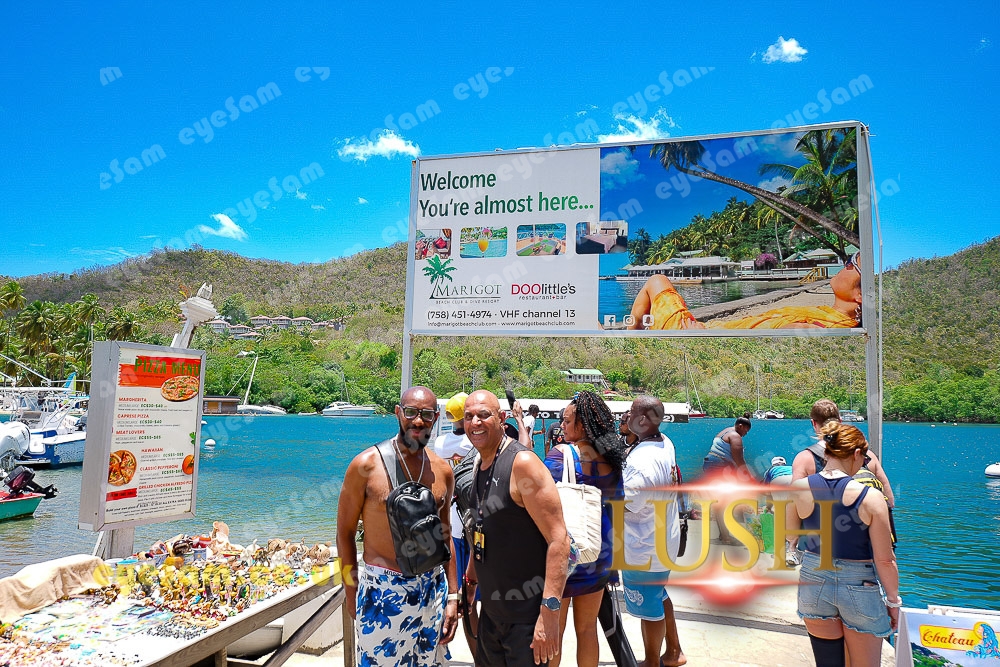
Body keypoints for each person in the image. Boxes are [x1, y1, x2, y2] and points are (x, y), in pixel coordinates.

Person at [336, 386, 458, 666]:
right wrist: (351, 592)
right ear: (398, 413)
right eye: (411, 412)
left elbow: (445, 534)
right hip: (383, 591)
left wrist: (453, 595)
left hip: (432, 591)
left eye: (427, 414)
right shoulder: (366, 466)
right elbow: (344, 533)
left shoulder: (442, 470)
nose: (418, 421)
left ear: (436, 417)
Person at [462, 390, 570, 666]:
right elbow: (483, 529)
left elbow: (559, 539)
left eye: (483, 415)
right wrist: (471, 581)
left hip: (526, 620)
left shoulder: (522, 463)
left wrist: (549, 613)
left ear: (501, 418)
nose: (475, 422)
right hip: (492, 615)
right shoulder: (480, 463)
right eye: (469, 416)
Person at [788, 422, 900, 667]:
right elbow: (885, 560)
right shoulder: (871, 498)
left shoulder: (798, 488)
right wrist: (893, 602)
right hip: (859, 586)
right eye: (865, 458)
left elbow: (790, 534)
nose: (864, 463)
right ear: (857, 453)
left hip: (813, 580)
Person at [542, 391, 626, 667]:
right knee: (588, 629)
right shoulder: (612, 460)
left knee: (555, 629)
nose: (562, 426)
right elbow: (617, 508)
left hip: (567, 553)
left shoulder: (560, 455)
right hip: (598, 552)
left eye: (567, 421)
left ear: (583, 425)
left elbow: (540, 502)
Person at [628, 252, 864, 330]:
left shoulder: (822, 325)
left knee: (657, 279)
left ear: (861, 295)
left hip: (695, 333)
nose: (845, 264)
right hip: (707, 330)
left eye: (852, 263)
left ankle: (633, 333)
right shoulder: (827, 316)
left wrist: (700, 333)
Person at [621, 395, 686, 667]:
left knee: (650, 611)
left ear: (643, 420)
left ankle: (650, 661)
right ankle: (674, 651)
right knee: (659, 595)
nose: (626, 415)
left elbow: (627, 505)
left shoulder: (641, 462)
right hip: (665, 539)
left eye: (631, 411)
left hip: (644, 546)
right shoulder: (664, 442)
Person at [432, 392, 478, 657]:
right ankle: (480, 654)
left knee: (453, 593)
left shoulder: (440, 443)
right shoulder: (473, 443)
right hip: (472, 524)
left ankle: (444, 648)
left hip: (450, 521)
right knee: (473, 598)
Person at [702, 415, 753, 544]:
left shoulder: (725, 431)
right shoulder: (735, 437)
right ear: (740, 426)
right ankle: (726, 537)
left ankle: (723, 535)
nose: (745, 434)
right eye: (745, 431)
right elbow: (739, 461)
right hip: (719, 467)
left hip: (710, 465)